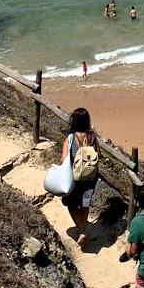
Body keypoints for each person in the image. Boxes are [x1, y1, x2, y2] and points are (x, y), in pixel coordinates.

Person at [61, 106, 100, 250]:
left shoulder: (70, 139)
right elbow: (98, 155)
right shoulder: (92, 137)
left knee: (71, 204)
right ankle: (83, 228)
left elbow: (63, 159)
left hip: (75, 176)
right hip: (90, 176)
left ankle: (82, 230)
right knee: (85, 203)